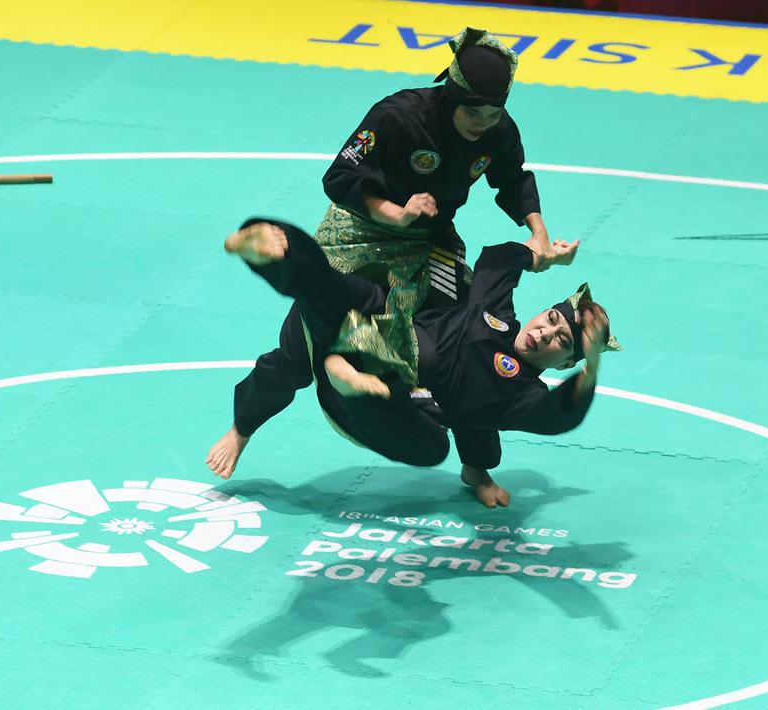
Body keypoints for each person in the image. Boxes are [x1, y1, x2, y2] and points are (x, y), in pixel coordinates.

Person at [207, 27, 562, 480]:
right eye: (475, 113)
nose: (484, 123)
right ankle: (242, 427)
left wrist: (539, 233)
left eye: (494, 113)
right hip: (363, 231)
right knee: (301, 349)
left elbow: (513, 177)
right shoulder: (398, 116)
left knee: (469, 345)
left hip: (430, 240)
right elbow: (340, 177)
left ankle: (475, 466)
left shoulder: (498, 129)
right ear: (451, 96)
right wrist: (397, 213)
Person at [220, 218, 619, 507]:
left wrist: (592, 370)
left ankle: (359, 385)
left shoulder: (523, 394)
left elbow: (554, 416)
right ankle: (276, 249)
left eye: (561, 340)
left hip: (379, 405)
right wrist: (542, 257)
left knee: (432, 447)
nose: (545, 333)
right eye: (551, 319)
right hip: (373, 330)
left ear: (566, 363)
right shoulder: (495, 311)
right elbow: (498, 261)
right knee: (327, 290)